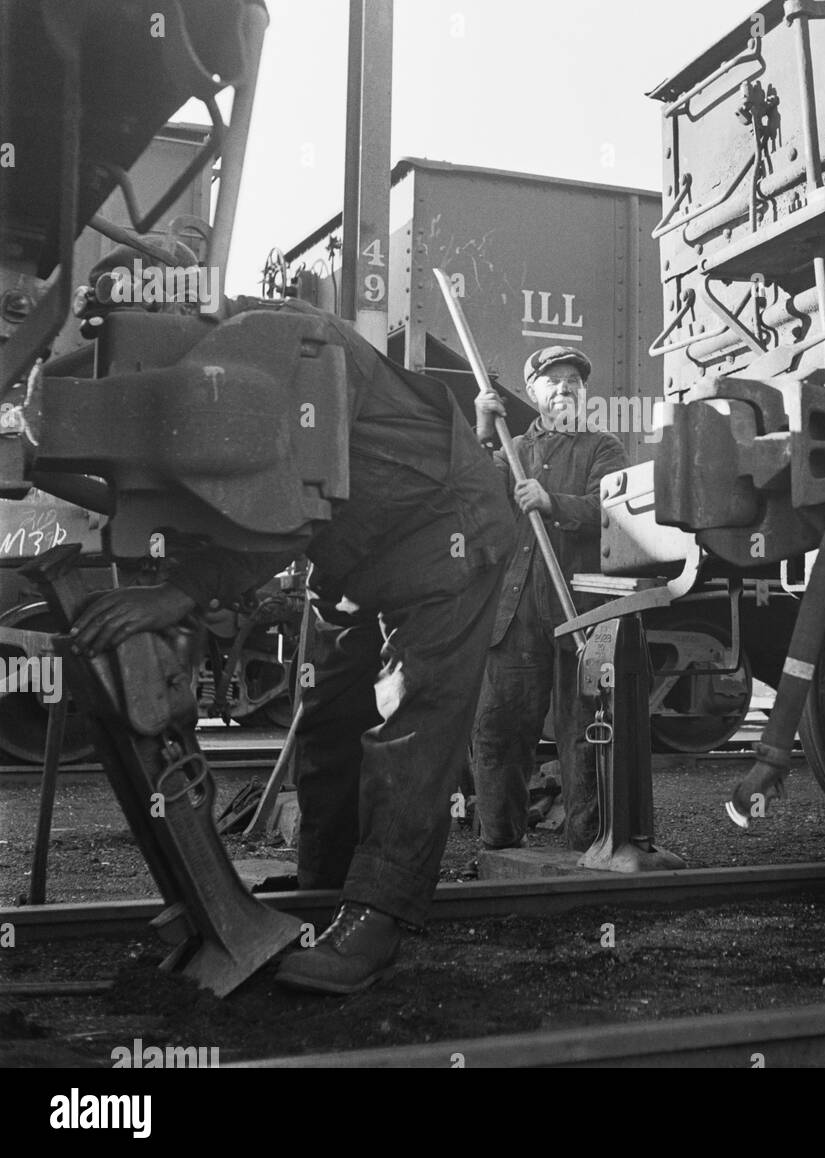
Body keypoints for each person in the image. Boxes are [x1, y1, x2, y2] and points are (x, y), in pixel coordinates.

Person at [68, 242, 514, 994]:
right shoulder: (196, 371)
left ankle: (375, 918)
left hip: (445, 536)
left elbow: (281, 508)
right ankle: (324, 887)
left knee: (409, 725)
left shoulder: (285, 342)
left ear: (184, 300)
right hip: (353, 557)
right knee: (327, 720)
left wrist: (183, 591)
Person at [472, 345, 627, 854]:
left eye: (573, 382)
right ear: (533, 392)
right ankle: (499, 844)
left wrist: (552, 502)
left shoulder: (602, 446)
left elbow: (611, 506)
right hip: (515, 614)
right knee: (498, 730)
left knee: (584, 733)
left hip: (577, 608)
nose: (564, 388)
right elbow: (471, 496)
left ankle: (587, 848)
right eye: (552, 381)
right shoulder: (509, 449)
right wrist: (480, 429)